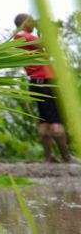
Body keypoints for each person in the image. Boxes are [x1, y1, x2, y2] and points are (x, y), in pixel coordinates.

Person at [13, 13, 71, 163]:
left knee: (44, 121)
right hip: (45, 81)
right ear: (25, 22)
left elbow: (48, 52)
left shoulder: (22, 39)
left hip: (36, 82)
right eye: (32, 22)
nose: (33, 24)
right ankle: (66, 156)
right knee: (55, 121)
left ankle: (49, 156)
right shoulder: (24, 36)